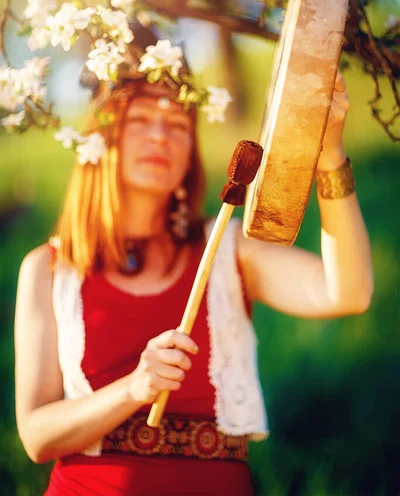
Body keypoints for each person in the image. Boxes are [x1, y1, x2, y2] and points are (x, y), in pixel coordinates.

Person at [14, 29, 374, 496]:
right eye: (141, 118)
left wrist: (329, 158)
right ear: (102, 137)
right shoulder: (47, 268)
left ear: (190, 153)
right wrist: (134, 388)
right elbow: (37, 437)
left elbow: (347, 292)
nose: (161, 135)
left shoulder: (225, 250)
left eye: (179, 125)